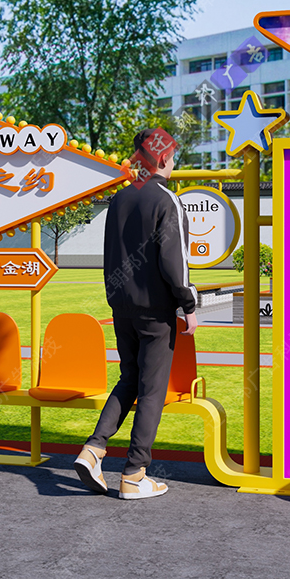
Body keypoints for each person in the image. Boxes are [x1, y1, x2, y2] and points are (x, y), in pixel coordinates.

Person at [73, 128, 198, 500]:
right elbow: (175, 263)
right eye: (173, 158)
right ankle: (134, 474)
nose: (173, 164)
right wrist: (189, 304)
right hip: (155, 311)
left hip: (121, 306)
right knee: (152, 390)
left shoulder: (120, 198)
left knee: (129, 378)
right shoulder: (167, 200)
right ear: (163, 158)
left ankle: (94, 448)